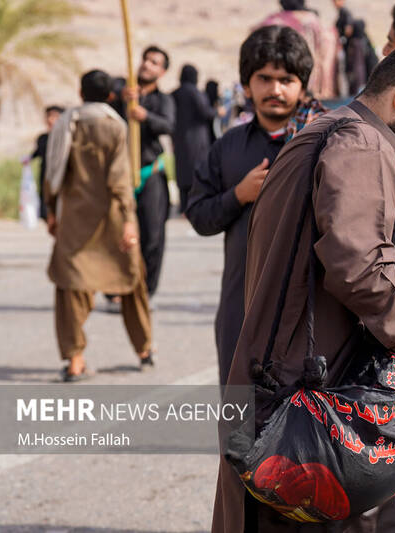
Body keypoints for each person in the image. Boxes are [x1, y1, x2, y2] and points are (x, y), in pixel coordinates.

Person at [212, 34, 395, 533]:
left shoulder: (329, 132)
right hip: (308, 411)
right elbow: (359, 267)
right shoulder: (361, 144)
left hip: (290, 400)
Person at [186, 25, 325, 388]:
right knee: (239, 425)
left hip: (308, 309)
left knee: (303, 428)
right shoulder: (228, 147)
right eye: (264, 78)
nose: (275, 90)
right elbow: (199, 215)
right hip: (240, 307)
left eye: (286, 79)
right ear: (247, 85)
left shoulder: (328, 143)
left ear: (302, 86)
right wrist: (238, 195)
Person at [44, 70, 153, 381]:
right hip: (113, 221)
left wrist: (51, 213)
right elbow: (120, 181)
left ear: (80, 93)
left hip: (73, 222)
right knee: (131, 281)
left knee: (71, 288)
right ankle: (144, 347)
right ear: (110, 97)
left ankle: (74, 358)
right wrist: (130, 221)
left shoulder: (64, 124)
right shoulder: (115, 127)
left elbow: (52, 174)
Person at [120, 45, 176, 299]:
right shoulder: (123, 92)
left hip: (149, 173)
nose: (147, 65)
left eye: (154, 62)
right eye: (146, 60)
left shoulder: (163, 100)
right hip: (120, 175)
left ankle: (146, 291)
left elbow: (168, 125)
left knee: (153, 235)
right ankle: (117, 289)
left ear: (162, 71)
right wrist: (123, 101)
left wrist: (145, 116)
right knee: (119, 233)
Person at [259, 0, 339, 99]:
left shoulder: (271, 21)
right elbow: (325, 53)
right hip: (307, 77)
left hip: (274, 80)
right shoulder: (311, 20)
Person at [171, 64, 217, 213]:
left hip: (179, 138)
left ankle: (183, 205)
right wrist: (217, 112)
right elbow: (206, 112)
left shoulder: (175, 93)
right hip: (197, 140)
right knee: (197, 171)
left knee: (182, 172)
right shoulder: (195, 93)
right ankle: (194, 204)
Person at [28, 105, 63, 220]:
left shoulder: (64, 138)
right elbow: (37, 153)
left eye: (54, 117)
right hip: (45, 176)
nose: (50, 120)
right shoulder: (42, 138)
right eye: (49, 116)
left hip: (59, 176)